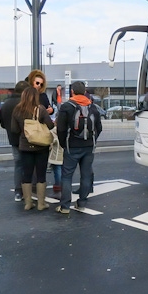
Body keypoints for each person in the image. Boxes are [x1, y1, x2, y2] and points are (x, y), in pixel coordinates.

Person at [55, 81, 102, 214]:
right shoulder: (93, 107)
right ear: (85, 92)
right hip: (89, 147)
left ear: (72, 92)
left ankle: (65, 206)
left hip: (72, 146)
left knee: (67, 176)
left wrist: (64, 144)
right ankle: (81, 203)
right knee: (86, 175)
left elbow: (61, 129)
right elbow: (99, 128)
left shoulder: (67, 107)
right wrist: (92, 140)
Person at [10, 87, 55, 211]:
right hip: (41, 146)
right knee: (41, 174)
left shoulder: (18, 110)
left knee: (27, 174)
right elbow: (50, 125)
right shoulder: (41, 109)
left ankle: (28, 203)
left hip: (25, 146)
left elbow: (14, 129)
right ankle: (41, 203)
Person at [0, 80, 30, 201]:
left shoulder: (6, 104)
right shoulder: (24, 104)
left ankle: (18, 191)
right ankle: (29, 190)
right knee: (29, 165)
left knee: (18, 164)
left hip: (13, 139)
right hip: (27, 139)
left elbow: (2, 123)